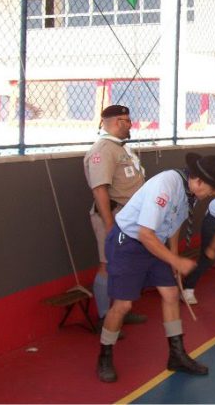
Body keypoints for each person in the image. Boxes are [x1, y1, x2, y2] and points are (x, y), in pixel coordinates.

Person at [96, 153, 215, 383]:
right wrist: (175, 261)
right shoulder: (165, 185)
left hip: (154, 241)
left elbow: (174, 224)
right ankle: (105, 354)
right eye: (212, 189)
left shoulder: (192, 192)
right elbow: (144, 234)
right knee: (123, 305)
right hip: (127, 241)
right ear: (198, 180)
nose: (213, 194)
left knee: (170, 293)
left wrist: (174, 255)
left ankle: (176, 355)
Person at [84, 105, 147, 331]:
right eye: (126, 120)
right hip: (114, 216)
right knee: (107, 264)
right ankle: (103, 317)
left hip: (128, 216)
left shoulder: (120, 147)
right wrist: (110, 225)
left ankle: (120, 309)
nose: (130, 124)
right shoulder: (103, 149)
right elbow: (100, 189)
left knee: (124, 264)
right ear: (116, 122)